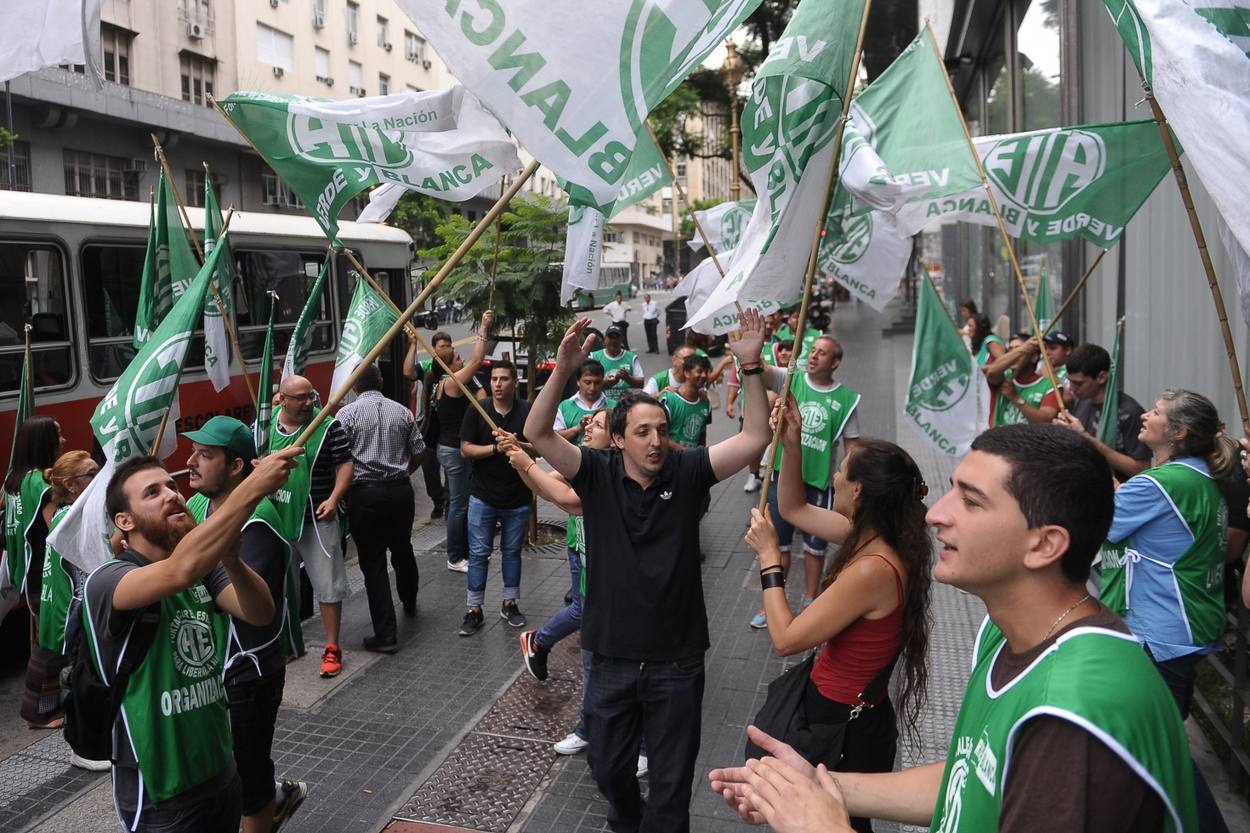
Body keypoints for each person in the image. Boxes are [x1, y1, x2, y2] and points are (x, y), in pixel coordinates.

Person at [709, 425, 1199, 833]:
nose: (938, 515)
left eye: (971, 501)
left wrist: (828, 826)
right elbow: (971, 779)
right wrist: (821, 786)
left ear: (1045, 544)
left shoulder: (1075, 712)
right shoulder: (1001, 635)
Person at [526, 309, 773, 833]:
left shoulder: (687, 472)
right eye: (643, 432)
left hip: (677, 662)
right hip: (611, 656)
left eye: (661, 429)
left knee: (671, 783)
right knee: (608, 768)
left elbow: (753, 438)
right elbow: (537, 432)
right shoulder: (594, 474)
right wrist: (563, 369)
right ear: (619, 440)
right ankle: (626, 819)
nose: (656, 440)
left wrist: (749, 366)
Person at [83, 447, 300, 833]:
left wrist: (232, 560)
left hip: (221, 771)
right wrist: (251, 488)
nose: (172, 494)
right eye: (153, 493)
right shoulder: (109, 580)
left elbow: (260, 613)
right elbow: (178, 571)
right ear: (124, 521)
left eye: (171, 485)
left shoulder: (204, 571)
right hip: (163, 795)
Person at [744, 396, 932, 833]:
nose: (834, 476)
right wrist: (792, 447)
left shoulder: (873, 568)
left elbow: (786, 639)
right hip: (842, 707)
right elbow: (794, 509)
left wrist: (771, 560)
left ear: (860, 491)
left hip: (842, 722)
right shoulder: (871, 535)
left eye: (842, 472)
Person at [182, 417, 308, 833]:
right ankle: (276, 795)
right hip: (213, 668)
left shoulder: (258, 518)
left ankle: (270, 801)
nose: (191, 463)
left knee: (247, 785)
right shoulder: (201, 505)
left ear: (237, 467)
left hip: (245, 672)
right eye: (194, 452)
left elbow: (248, 608)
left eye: (206, 455)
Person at [1101, 389, 1236, 714]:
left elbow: (1101, 526)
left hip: (1158, 628)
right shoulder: (1199, 476)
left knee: (1152, 742)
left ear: (1178, 432)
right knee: (1162, 733)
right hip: (1188, 619)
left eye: (1157, 412)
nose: (1145, 415)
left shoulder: (1156, 485)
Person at [754, 335, 861, 630]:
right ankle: (772, 605)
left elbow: (854, 451)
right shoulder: (791, 378)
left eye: (822, 353)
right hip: (781, 478)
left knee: (815, 550)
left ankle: (810, 599)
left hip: (818, 485)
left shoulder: (846, 400)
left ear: (835, 362)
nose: (813, 356)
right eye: (812, 350)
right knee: (779, 546)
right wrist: (751, 352)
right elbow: (762, 373)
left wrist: (854, 488)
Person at [337, 362, 427, 654]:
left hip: (365, 496)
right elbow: (419, 451)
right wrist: (402, 473)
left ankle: (386, 633)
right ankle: (410, 600)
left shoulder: (345, 415)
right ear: (381, 381)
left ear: (354, 386)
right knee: (403, 548)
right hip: (400, 492)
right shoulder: (402, 411)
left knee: (373, 562)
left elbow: (340, 460)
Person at [268, 374, 353, 678]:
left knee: (328, 586)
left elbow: (345, 464)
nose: (308, 403)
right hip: (277, 522)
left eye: (311, 396)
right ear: (283, 399)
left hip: (318, 520)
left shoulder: (328, 426)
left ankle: (332, 647)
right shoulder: (265, 427)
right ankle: (287, 643)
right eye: (301, 398)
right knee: (278, 585)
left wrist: (334, 498)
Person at [458, 360, 534, 635]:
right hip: (482, 496)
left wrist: (518, 444)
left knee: (512, 553)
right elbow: (465, 449)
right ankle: (474, 609)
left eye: (504, 379)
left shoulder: (527, 411)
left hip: (518, 496)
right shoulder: (477, 409)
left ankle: (509, 603)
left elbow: (538, 448)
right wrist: (494, 448)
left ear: (515, 382)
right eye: (494, 379)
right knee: (478, 553)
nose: (498, 384)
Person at [25, 449, 94, 735]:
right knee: (81, 674)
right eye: (92, 474)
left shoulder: (66, 512)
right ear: (71, 485)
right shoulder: (73, 518)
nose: (100, 476)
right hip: (77, 608)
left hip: (69, 605)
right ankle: (82, 734)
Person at [4, 416, 62, 728]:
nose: (63, 442)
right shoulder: (40, 482)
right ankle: (38, 711)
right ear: (44, 443)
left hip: (24, 572)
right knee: (50, 643)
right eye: (58, 436)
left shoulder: (13, 479)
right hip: (45, 572)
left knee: (46, 638)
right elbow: (58, 528)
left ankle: (49, 706)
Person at [432, 312, 493, 574]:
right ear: (450, 366)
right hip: (454, 451)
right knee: (459, 505)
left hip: (450, 449)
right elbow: (478, 359)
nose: (462, 360)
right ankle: (455, 556)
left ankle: (464, 552)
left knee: (462, 502)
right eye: (458, 359)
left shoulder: (443, 384)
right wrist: (483, 328)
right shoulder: (451, 383)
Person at [1053, 343, 1151, 481]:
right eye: (1070, 382)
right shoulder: (1082, 400)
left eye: (1079, 383)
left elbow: (1141, 469)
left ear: (1102, 377)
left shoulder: (1129, 411)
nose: (1072, 389)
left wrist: (1086, 438)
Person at [403, 330, 452, 519]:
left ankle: (449, 502)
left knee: (451, 470)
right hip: (430, 428)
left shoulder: (457, 367)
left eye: (449, 346)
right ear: (433, 349)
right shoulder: (427, 366)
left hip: (450, 429)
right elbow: (408, 372)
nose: (446, 350)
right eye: (442, 347)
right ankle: (438, 500)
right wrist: (413, 344)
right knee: (429, 469)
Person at [983, 333, 1061, 426]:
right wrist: (1023, 349)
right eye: (1010, 351)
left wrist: (1015, 398)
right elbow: (991, 373)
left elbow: (1046, 420)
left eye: (1018, 349)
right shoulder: (1004, 377)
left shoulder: (1050, 386)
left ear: (1034, 357)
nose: (1014, 355)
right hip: (999, 439)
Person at [657, 354, 713, 450]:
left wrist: (700, 457)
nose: (703, 375)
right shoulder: (669, 400)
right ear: (687, 373)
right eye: (699, 371)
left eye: (706, 372)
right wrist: (683, 450)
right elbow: (658, 433)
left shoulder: (705, 403)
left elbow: (702, 435)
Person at [555, 360, 608, 445]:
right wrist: (577, 428)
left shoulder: (614, 406)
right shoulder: (564, 407)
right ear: (578, 382)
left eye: (597, 383)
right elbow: (554, 439)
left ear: (602, 381)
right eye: (588, 382)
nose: (592, 388)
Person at [590, 325, 644, 407]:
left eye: (616, 337)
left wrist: (627, 378)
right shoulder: (594, 357)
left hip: (626, 405)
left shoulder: (631, 357)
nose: (613, 341)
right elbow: (585, 384)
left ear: (621, 339)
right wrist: (603, 382)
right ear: (605, 338)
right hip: (601, 405)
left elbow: (641, 383)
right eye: (610, 337)